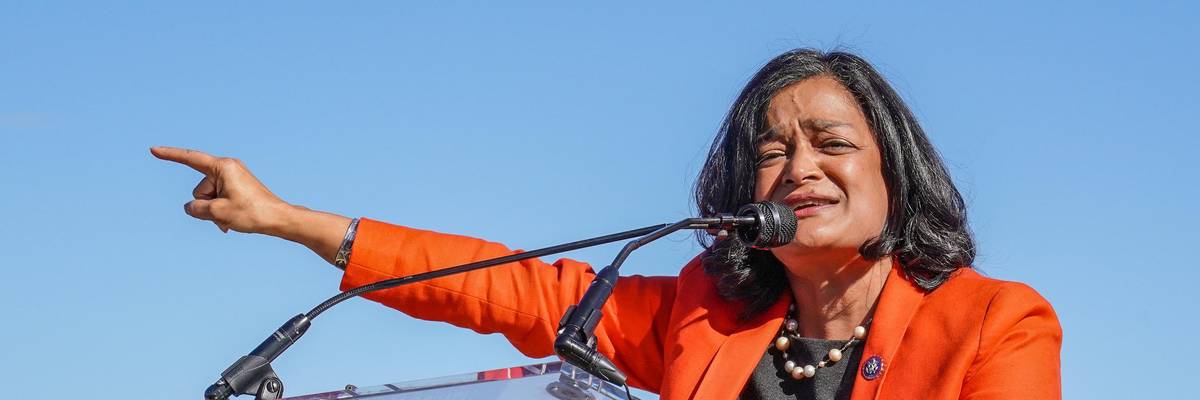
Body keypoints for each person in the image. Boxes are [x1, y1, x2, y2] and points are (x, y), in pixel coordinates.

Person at [153, 49, 1061, 400]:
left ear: (896, 174)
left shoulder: (995, 324)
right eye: (773, 151)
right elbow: (508, 288)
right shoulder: (703, 316)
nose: (801, 167)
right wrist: (288, 221)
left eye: (832, 143)